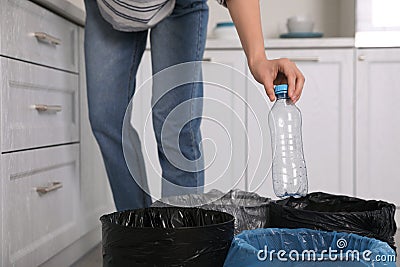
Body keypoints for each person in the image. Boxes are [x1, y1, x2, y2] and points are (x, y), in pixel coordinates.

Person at [83, 0, 305, 211]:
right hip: (110, 8)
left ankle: (179, 241)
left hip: (180, 6)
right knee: (106, 119)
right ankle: (137, 230)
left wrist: (258, 59)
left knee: (175, 128)